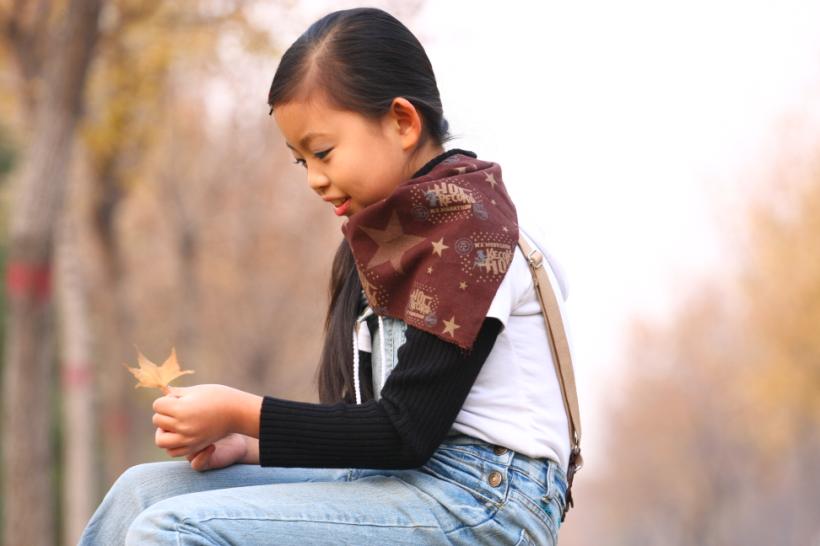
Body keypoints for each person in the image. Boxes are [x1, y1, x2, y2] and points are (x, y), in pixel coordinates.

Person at [78, 7, 574, 545]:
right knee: (142, 495)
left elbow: (405, 431)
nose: (314, 180)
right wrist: (249, 446)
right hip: (402, 479)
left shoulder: (473, 234)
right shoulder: (390, 234)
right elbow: (369, 427)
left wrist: (243, 412)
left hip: (487, 501)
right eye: (300, 162)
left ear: (403, 122)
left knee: (171, 529)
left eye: (323, 152)